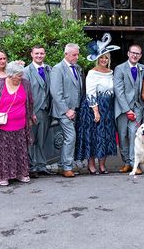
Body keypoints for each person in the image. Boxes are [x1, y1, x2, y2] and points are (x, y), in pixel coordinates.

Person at [0, 61, 35, 186]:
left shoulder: (26, 84)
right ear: (10, 75)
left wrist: (31, 116)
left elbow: (30, 102)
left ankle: (21, 174)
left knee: (20, 150)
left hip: (20, 124)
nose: (20, 77)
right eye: (18, 75)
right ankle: (3, 175)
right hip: (2, 125)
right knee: (3, 151)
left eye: (21, 74)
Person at [76, 35, 119, 174]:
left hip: (108, 107)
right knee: (94, 136)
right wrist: (96, 111)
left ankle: (102, 164)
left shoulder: (111, 73)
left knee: (106, 136)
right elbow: (90, 92)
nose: (104, 60)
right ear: (97, 59)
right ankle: (91, 164)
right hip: (93, 107)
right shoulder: (92, 73)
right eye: (101, 57)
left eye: (106, 57)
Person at [114, 44, 144, 174]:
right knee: (122, 136)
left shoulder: (143, 68)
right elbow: (119, 91)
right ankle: (127, 162)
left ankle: (134, 163)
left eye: (137, 53)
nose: (135, 55)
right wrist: (127, 110)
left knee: (134, 134)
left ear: (140, 56)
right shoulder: (119, 68)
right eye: (132, 53)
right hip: (122, 108)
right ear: (128, 53)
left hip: (138, 106)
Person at [50, 43, 83, 178]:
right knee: (70, 137)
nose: (77, 57)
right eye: (74, 55)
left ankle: (63, 164)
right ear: (66, 54)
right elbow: (56, 92)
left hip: (75, 109)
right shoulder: (58, 69)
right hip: (64, 111)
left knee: (68, 138)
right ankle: (67, 167)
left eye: (77, 54)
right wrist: (66, 110)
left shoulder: (77, 68)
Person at [23, 45, 52, 177]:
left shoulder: (49, 69)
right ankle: (31, 166)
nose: (39, 56)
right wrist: (29, 113)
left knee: (42, 139)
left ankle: (42, 165)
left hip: (46, 110)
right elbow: (25, 94)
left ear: (45, 54)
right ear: (31, 54)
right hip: (33, 111)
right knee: (31, 140)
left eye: (41, 53)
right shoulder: (26, 71)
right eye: (37, 54)